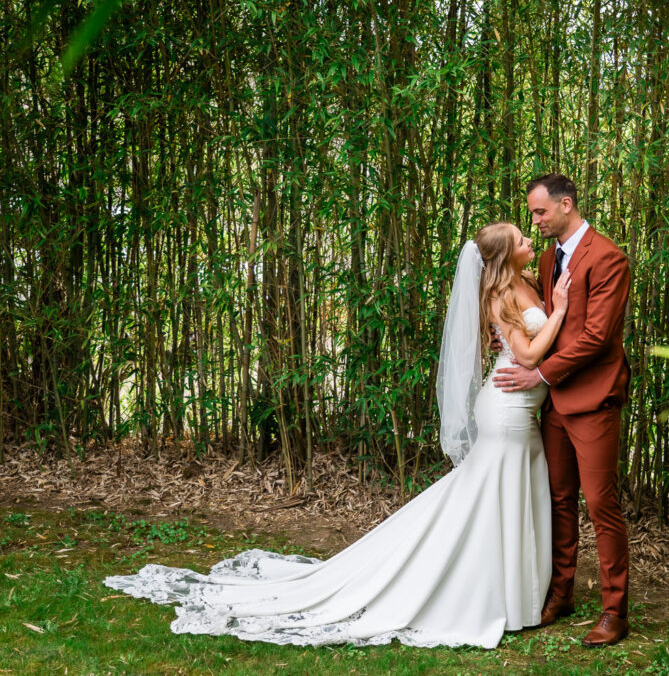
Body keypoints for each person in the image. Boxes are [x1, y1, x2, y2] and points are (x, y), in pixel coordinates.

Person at [103, 222, 571, 649]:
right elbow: (528, 356)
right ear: (506, 255)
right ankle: (488, 594)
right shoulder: (502, 296)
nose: (530, 240)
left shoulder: (525, 283)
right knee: (494, 497)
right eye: (521, 239)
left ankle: (513, 598)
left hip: (518, 413)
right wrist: (562, 310)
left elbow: (520, 346)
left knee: (499, 498)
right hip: (508, 411)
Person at [492, 173, 632, 647]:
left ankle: (614, 611)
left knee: (601, 505)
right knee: (558, 500)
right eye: (532, 214)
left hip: (592, 399)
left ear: (565, 205)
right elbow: (518, 305)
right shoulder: (549, 259)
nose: (535, 220)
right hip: (553, 405)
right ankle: (562, 591)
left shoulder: (609, 257)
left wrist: (540, 373)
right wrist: (510, 338)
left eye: (539, 213)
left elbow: (597, 336)